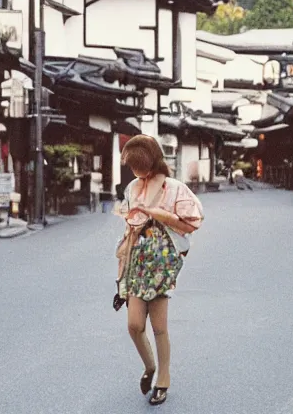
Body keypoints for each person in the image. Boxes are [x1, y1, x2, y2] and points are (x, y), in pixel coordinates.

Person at [113, 135, 204, 406]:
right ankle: (149, 366)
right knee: (133, 325)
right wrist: (120, 279)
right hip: (137, 262)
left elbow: (191, 223)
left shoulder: (174, 188)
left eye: (139, 165)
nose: (136, 172)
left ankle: (162, 380)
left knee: (159, 327)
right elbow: (127, 231)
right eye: (132, 167)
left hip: (162, 263)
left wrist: (155, 212)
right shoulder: (132, 188)